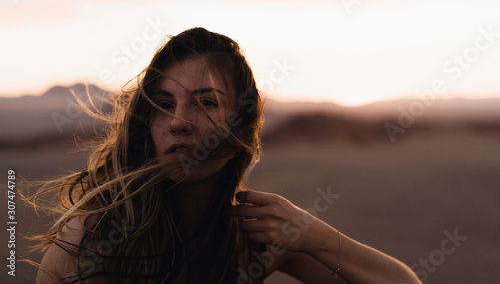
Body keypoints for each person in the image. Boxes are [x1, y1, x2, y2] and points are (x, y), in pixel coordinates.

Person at [31, 27, 421, 283]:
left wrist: (314, 235)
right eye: (164, 104)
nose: (179, 122)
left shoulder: (255, 240)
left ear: (241, 123)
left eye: (205, 103)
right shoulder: (94, 236)